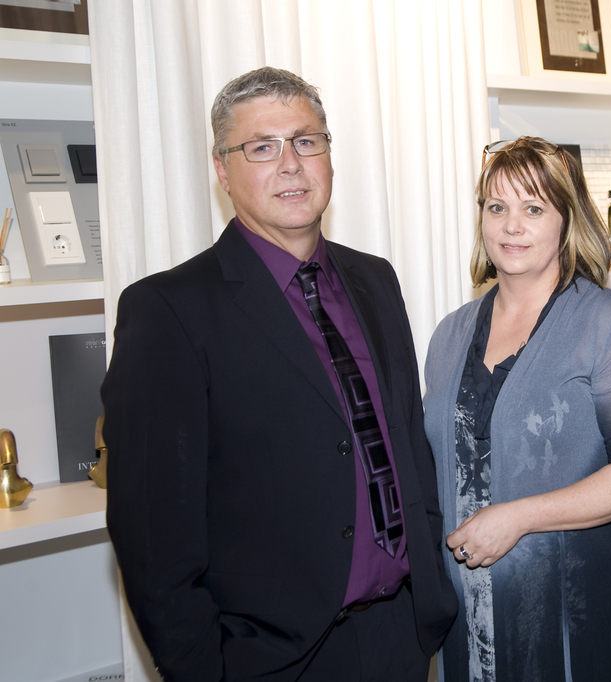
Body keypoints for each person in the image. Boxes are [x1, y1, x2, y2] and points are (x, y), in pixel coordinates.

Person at [102, 66, 456, 682]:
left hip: (400, 636)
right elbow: (153, 535)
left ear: (329, 156)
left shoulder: (375, 279)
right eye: (262, 148)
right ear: (223, 170)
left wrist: (427, 592)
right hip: (270, 659)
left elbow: (405, 443)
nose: (291, 164)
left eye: (306, 141)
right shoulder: (169, 310)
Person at [423, 136, 611, 682]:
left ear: (566, 220)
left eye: (533, 209)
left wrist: (518, 518)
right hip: (465, 625)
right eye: (497, 207)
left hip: (565, 617)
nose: (512, 226)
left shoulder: (607, 321)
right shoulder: (448, 335)